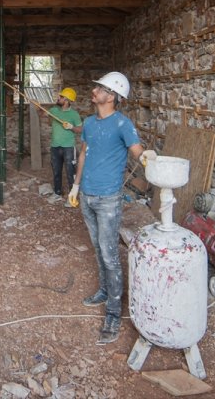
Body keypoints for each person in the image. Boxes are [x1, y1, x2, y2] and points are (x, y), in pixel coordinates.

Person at [67, 72, 154, 345]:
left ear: (113, 96)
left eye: (101, 88)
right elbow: (84, 153)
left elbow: (137, 150)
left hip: (108, 199)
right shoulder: (90, 123)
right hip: (88, 195)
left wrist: (146, 156)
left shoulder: (122, 124)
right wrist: (75, 185)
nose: (94, 91)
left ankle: (114, 315)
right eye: (96, 87)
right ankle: (104, 291)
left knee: (110, 254)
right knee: (98, 246)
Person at [48, 87, 82, 202]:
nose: (58, 98)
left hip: (68, 147)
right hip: (55, 146)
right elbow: (42, 114)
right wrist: (37, 107)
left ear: (67, 100)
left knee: (70, 172)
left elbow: (80, 129)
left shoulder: (74, 114)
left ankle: (72, 196)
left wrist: (72, 127)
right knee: (56, 171)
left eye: (61, 97)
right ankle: (57, 193)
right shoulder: (54, 110)